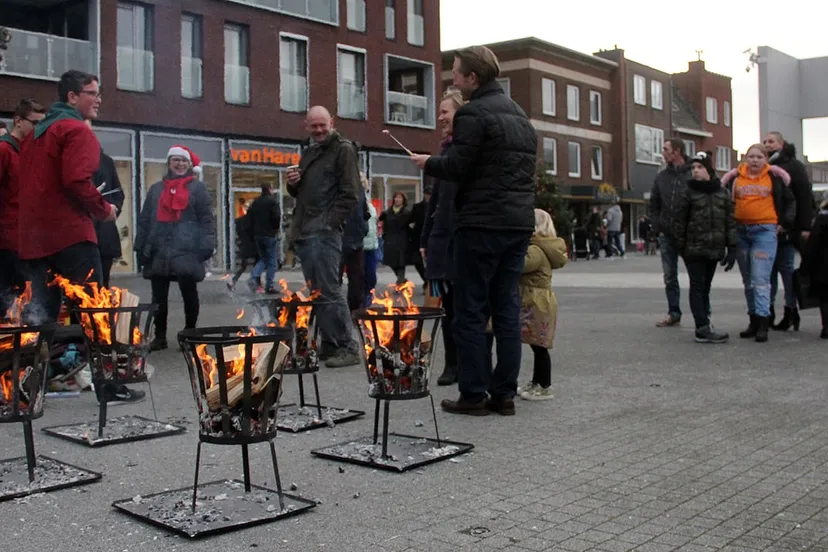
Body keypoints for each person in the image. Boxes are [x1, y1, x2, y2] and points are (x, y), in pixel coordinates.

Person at [411, 45, 537, 416]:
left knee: (469, 310)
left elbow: (459, 167)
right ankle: (505, 394)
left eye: (456, 73)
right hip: (517, 225)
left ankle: (473, 394)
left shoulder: (474, 114)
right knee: (507, 308)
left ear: (473, 78)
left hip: (480, 224)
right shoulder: (520, 116)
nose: (453, 78)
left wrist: (429, 163)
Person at [16, 71, 138, 404]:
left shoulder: (35, 135)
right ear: (72, 97)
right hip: (72, 238)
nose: (98, 99)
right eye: (92, 93)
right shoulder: (75, 130)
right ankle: (107, 386)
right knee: (94, 312)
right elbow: (76, 181)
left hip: (35, 242)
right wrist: (103, 210)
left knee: (39, 318)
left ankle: (24, 388)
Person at [285, 105, 360, 368]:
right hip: (307, 233)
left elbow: (350, 194)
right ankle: (330, 344)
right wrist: (293, 184)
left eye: (322, 125)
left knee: (329, 289)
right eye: (313, 126)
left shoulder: (344, 150)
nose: (318, 130)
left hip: (324, 234)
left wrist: (328, 225)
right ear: (306, 125)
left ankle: (347, 347)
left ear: (332, 122)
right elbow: (302, 195)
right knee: (318, 292)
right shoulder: (309, 152)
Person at [134, 145, 216, 351]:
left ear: (189, 164)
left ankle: (189, 334)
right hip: (159, 249)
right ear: (169, 163)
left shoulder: (198, 189)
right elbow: (145, 220)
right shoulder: (156, 189)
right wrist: (140, 246)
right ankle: (160, 337)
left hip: (187, 249)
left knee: (189, 293)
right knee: (158, 297)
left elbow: (207, 219)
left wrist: (206, 246)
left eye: (183, 161)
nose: (179, 164)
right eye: (175, 160)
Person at [721, 144, 795, 343]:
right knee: (748, 280)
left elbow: (790, 202)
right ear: (745, 159)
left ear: (766, 159)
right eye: (751, 156)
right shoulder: (735, 179)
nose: (754, 160)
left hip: (765, 231)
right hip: (741, 231)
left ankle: (763, 321)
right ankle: (753, 319)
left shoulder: (774, 178)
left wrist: (784, 223)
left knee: (760, 278)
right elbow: (727, 204)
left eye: (759, 157)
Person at [420, 87, 463, 386]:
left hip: (459, 241)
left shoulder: (462, 152)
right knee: (447, 308)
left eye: (445, 111)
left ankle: (465, 366)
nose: (440, 117)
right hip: (441, 242)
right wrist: (424, 240)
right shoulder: (446, 151)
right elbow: (435, 203)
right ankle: (451, 364)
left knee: (463, 309)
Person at [672, 151, 736, 344]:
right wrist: (682, 248)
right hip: (694, 249)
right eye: (693, 168)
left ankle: (705, 322)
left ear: (709, 169)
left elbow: (729, 222)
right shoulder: (687, 192)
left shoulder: (722, 193)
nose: (696, 171)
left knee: (705, 287)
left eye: (700, 167)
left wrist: (731, 247)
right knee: (697, 287)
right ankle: (701, 327)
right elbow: (678, 222)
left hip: (714, 249)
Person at [763, 131, 814, 331]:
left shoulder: (793, 166)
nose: (768, 145)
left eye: (772, 142)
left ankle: (790, 310)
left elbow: (803, 197)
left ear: (781, 144)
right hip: (767, 227)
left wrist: (804, 227)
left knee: (786, 270)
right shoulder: (765, 167)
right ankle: (768, 312)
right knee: (769, 273)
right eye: (765, 142)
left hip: (786, 228)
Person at [0, 98, 45, 314]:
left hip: (27, 241)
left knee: (26, 302)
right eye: (35, 123)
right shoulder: (4, 151)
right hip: (8, 242)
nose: (38, 129)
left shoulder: (29, 153)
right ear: (18, 121)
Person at [517, 209, 567, 400]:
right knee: (537, 344)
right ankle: (537, 382)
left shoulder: (535, 250)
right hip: (540, 301)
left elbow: (521, 265)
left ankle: (544, 385)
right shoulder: (541, 247)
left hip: (536, 302)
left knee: (539, 346)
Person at [649, 138, 690, 327]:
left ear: (677, 151)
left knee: (696, 276)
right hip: (667, 234)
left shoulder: (692, 174)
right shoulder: (661, 177)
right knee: (669, 276)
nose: (663, 153)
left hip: (689, 233)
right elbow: (654, 204)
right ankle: (674, 312)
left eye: (666, 149)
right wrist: (658, 227)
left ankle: (702, 314)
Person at [88, 119, 125, 288]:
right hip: (78, 235)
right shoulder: (67, 157)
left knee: (102, 285)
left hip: (103, 234)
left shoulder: (106, 161)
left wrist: (112, 210)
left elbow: (118, 193)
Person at [800, 190, 828, 339]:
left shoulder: (822, 219)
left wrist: (805, 267)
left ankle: (827, 327)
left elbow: (812, 245)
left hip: (823, 267)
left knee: (825, 298)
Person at [339, 177, 369, 312]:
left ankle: (351, 311)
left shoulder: (358, 190)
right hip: (344, 240)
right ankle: (348, 311)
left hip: (350, 240)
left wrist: (363, 228)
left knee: (354, 279)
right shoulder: (356, 191)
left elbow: (364, 213)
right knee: (338, 280)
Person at [247, 182, 282, 294]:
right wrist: (275, 230)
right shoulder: (272, 202)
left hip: (258, 235)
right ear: (270, 189)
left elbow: (249, 218)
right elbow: (276, 217)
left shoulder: (256, 202)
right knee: (272, 261)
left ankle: (254, 276)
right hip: (269, 234)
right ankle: (269, 286)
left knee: (263, 258)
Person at [379, 192, 411, 285]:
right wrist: (385, 235)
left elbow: (410, 226)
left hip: (402, 240)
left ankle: (400, 283)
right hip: (390, 239)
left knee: (401, 262)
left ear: (403, 200)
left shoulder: (406, 212)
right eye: (396, 198)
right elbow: (383, 222)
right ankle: (402, 280)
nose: (397, 199)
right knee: (391, 261)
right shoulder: (388, 212)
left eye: (399, 198)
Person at [227, 210, 259, 292]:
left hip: (244, 245)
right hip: (252, 245)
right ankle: (255, 283)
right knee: (257, 264)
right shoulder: (252, 222)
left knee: (243, 266)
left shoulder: (240, 221)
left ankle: (233, 281)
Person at [362, 174, 380, 308]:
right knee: (361, 278)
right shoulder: (356, 200)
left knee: (371, 278)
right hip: (361, 245)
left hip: (372, 245)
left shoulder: (367, 200)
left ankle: (366, 303)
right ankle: (361, 306)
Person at [409, 187, 430, 283]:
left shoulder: (437, 206)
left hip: (431, 237)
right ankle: (426, 280)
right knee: (417, 262)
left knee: (430, 261)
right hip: (418, 237)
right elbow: (410, 220)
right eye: (427, 193)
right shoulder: (417, 207)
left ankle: (429, 282)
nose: (428, 196)